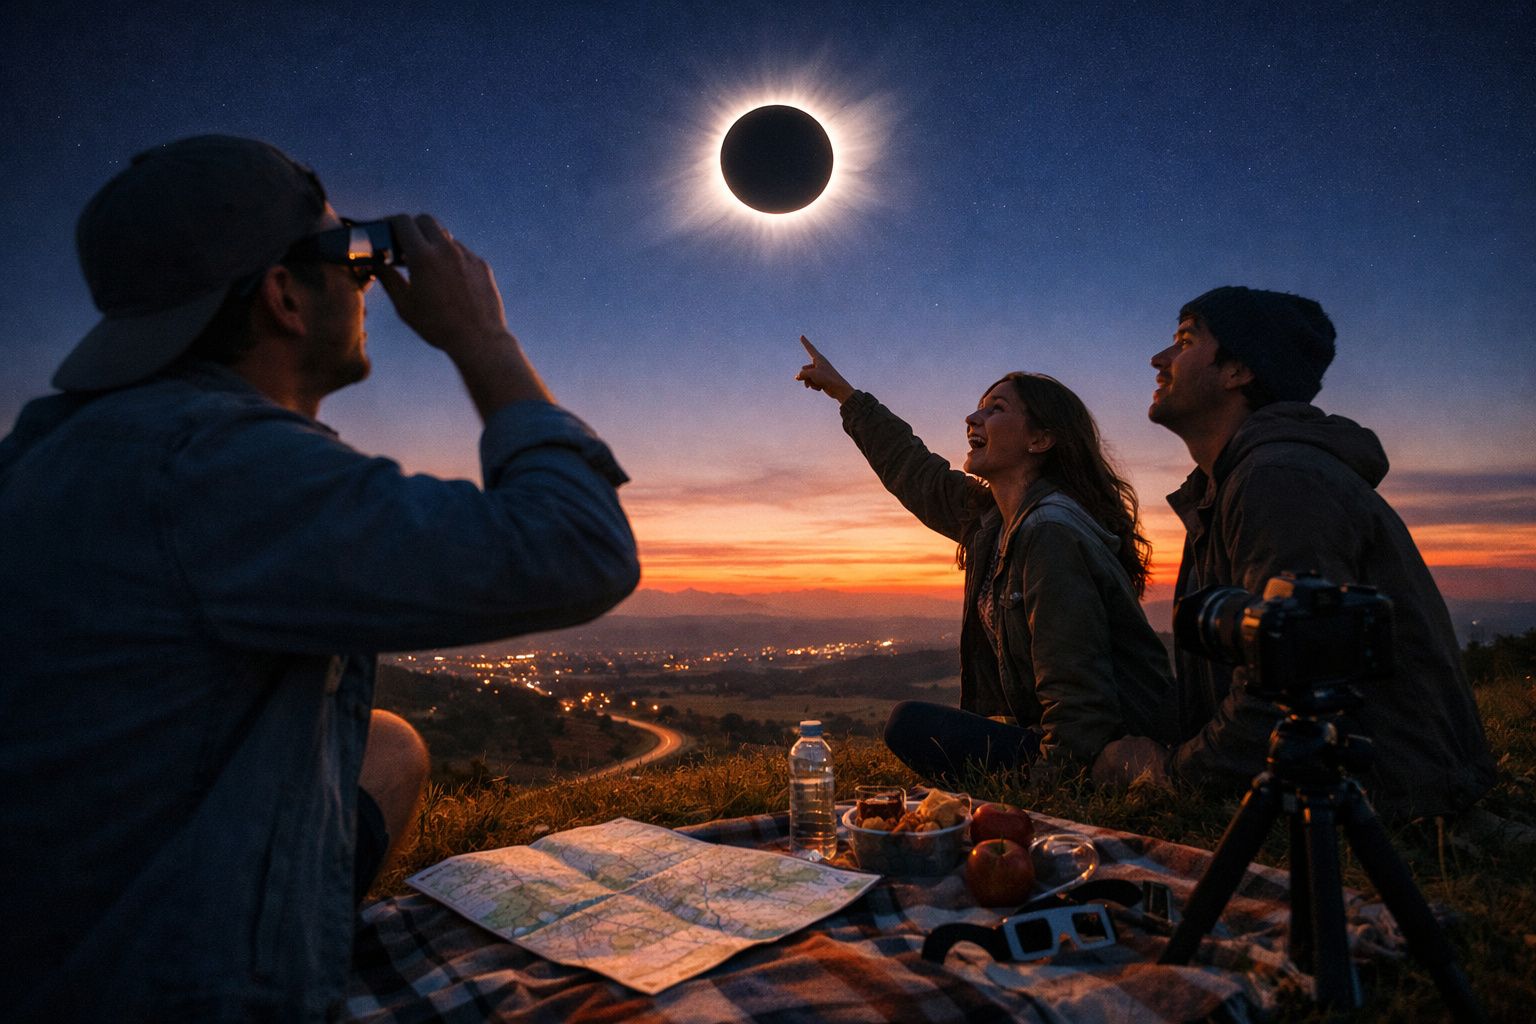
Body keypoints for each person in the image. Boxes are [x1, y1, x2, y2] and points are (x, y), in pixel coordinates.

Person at [0, 136, 640, 1021]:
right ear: (283, 294)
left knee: (389, 746)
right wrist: (482, 337)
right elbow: (579, 545)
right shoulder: (210, 466)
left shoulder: (72, 447)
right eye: (354, 259)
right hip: (135, 983)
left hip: (67, 909)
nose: (369, 283)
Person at [1094, 286, 1496, 823]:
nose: (1159, 359)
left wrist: (1168, 772)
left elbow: (1288, 681)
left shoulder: (1277, 481)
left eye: (1185, 341)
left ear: (1238, 369)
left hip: (1379, 802)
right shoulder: (1235, 484)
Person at [796, 336, 1177, 782]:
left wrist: (1044, 784)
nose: (971, 418)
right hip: (1049, 733)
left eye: (995, 409)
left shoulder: (1050, 533)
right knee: (921, 728)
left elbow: (1080, 694)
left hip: (1105, 744)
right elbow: (916, 472)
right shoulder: (994, 519)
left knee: (912, 725)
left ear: (1040, 439)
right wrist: (845, 394)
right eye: (979, 407)